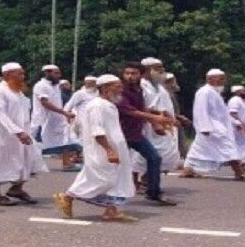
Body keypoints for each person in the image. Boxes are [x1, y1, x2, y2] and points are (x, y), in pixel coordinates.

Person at [53, 75, 141, 223]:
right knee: (101, 179)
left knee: (118, 178)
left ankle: (111, 212)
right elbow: (97, 130)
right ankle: (67, 196)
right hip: (101, 149)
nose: (121, 89)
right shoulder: (96, 105)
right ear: (105, 88)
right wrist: (109, 150)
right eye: (117, 86)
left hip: (116, 147)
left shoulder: (109, 105)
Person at [0, 63, 46, 206]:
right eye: (19, 74)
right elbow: (0, 114)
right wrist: (17, 132)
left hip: (22, 134)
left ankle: (16, 189)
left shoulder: (18, 91)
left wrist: (24, 131)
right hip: (2, 136)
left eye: (23, 74)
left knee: (27, 161)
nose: (22, 77)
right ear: (7, 75)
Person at [116, 62, 177, 205]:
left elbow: (142, 108)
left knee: (155, 158)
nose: (130, 76)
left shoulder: (139, 90)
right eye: (127, 73)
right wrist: (155, 118)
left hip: (134, 133)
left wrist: (161, 115)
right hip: (119, 134)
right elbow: (129, 111)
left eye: (134, 73)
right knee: (111, 165)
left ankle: (153, 191)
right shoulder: (121, 91)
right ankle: (90, 192)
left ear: (141, 75)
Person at [182, 69, 245, 180]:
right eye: (220, 78)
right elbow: (200, 110)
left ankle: (187, 169)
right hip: (212, 127)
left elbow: (224, 113)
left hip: (218, 126)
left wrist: (236, 123)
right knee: (229, 148)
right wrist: (204, 127)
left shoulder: (214, 92)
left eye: (224, 78)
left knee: (198, 149)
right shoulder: (204, 92)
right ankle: (239, 172)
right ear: (210, 79)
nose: (223, 81)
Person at [136, 58, 183, 175]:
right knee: (138, 156)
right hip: (146, 124)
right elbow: (141, 106)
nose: (162, 70)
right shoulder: (141, 85)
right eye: (158, 67)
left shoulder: (160, 87)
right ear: (147, 69)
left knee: (163, 154)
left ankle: (147, 180)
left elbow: (165, 107)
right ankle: (136, 182)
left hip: (165, 124)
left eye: (162, 67)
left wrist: (175, 118)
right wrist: (157, 119)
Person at [31, 65, 82, 172]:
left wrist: (64, 114)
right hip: (44, 121)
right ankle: (29, 164)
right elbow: (45, 103)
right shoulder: (41, 86)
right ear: (47, 73)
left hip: (58, 119)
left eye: (59, 73)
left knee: (67, 139)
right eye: (56, 73)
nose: (59, 75)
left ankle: (67, 164)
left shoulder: (56, 86)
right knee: (37, 144)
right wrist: (64, 112)